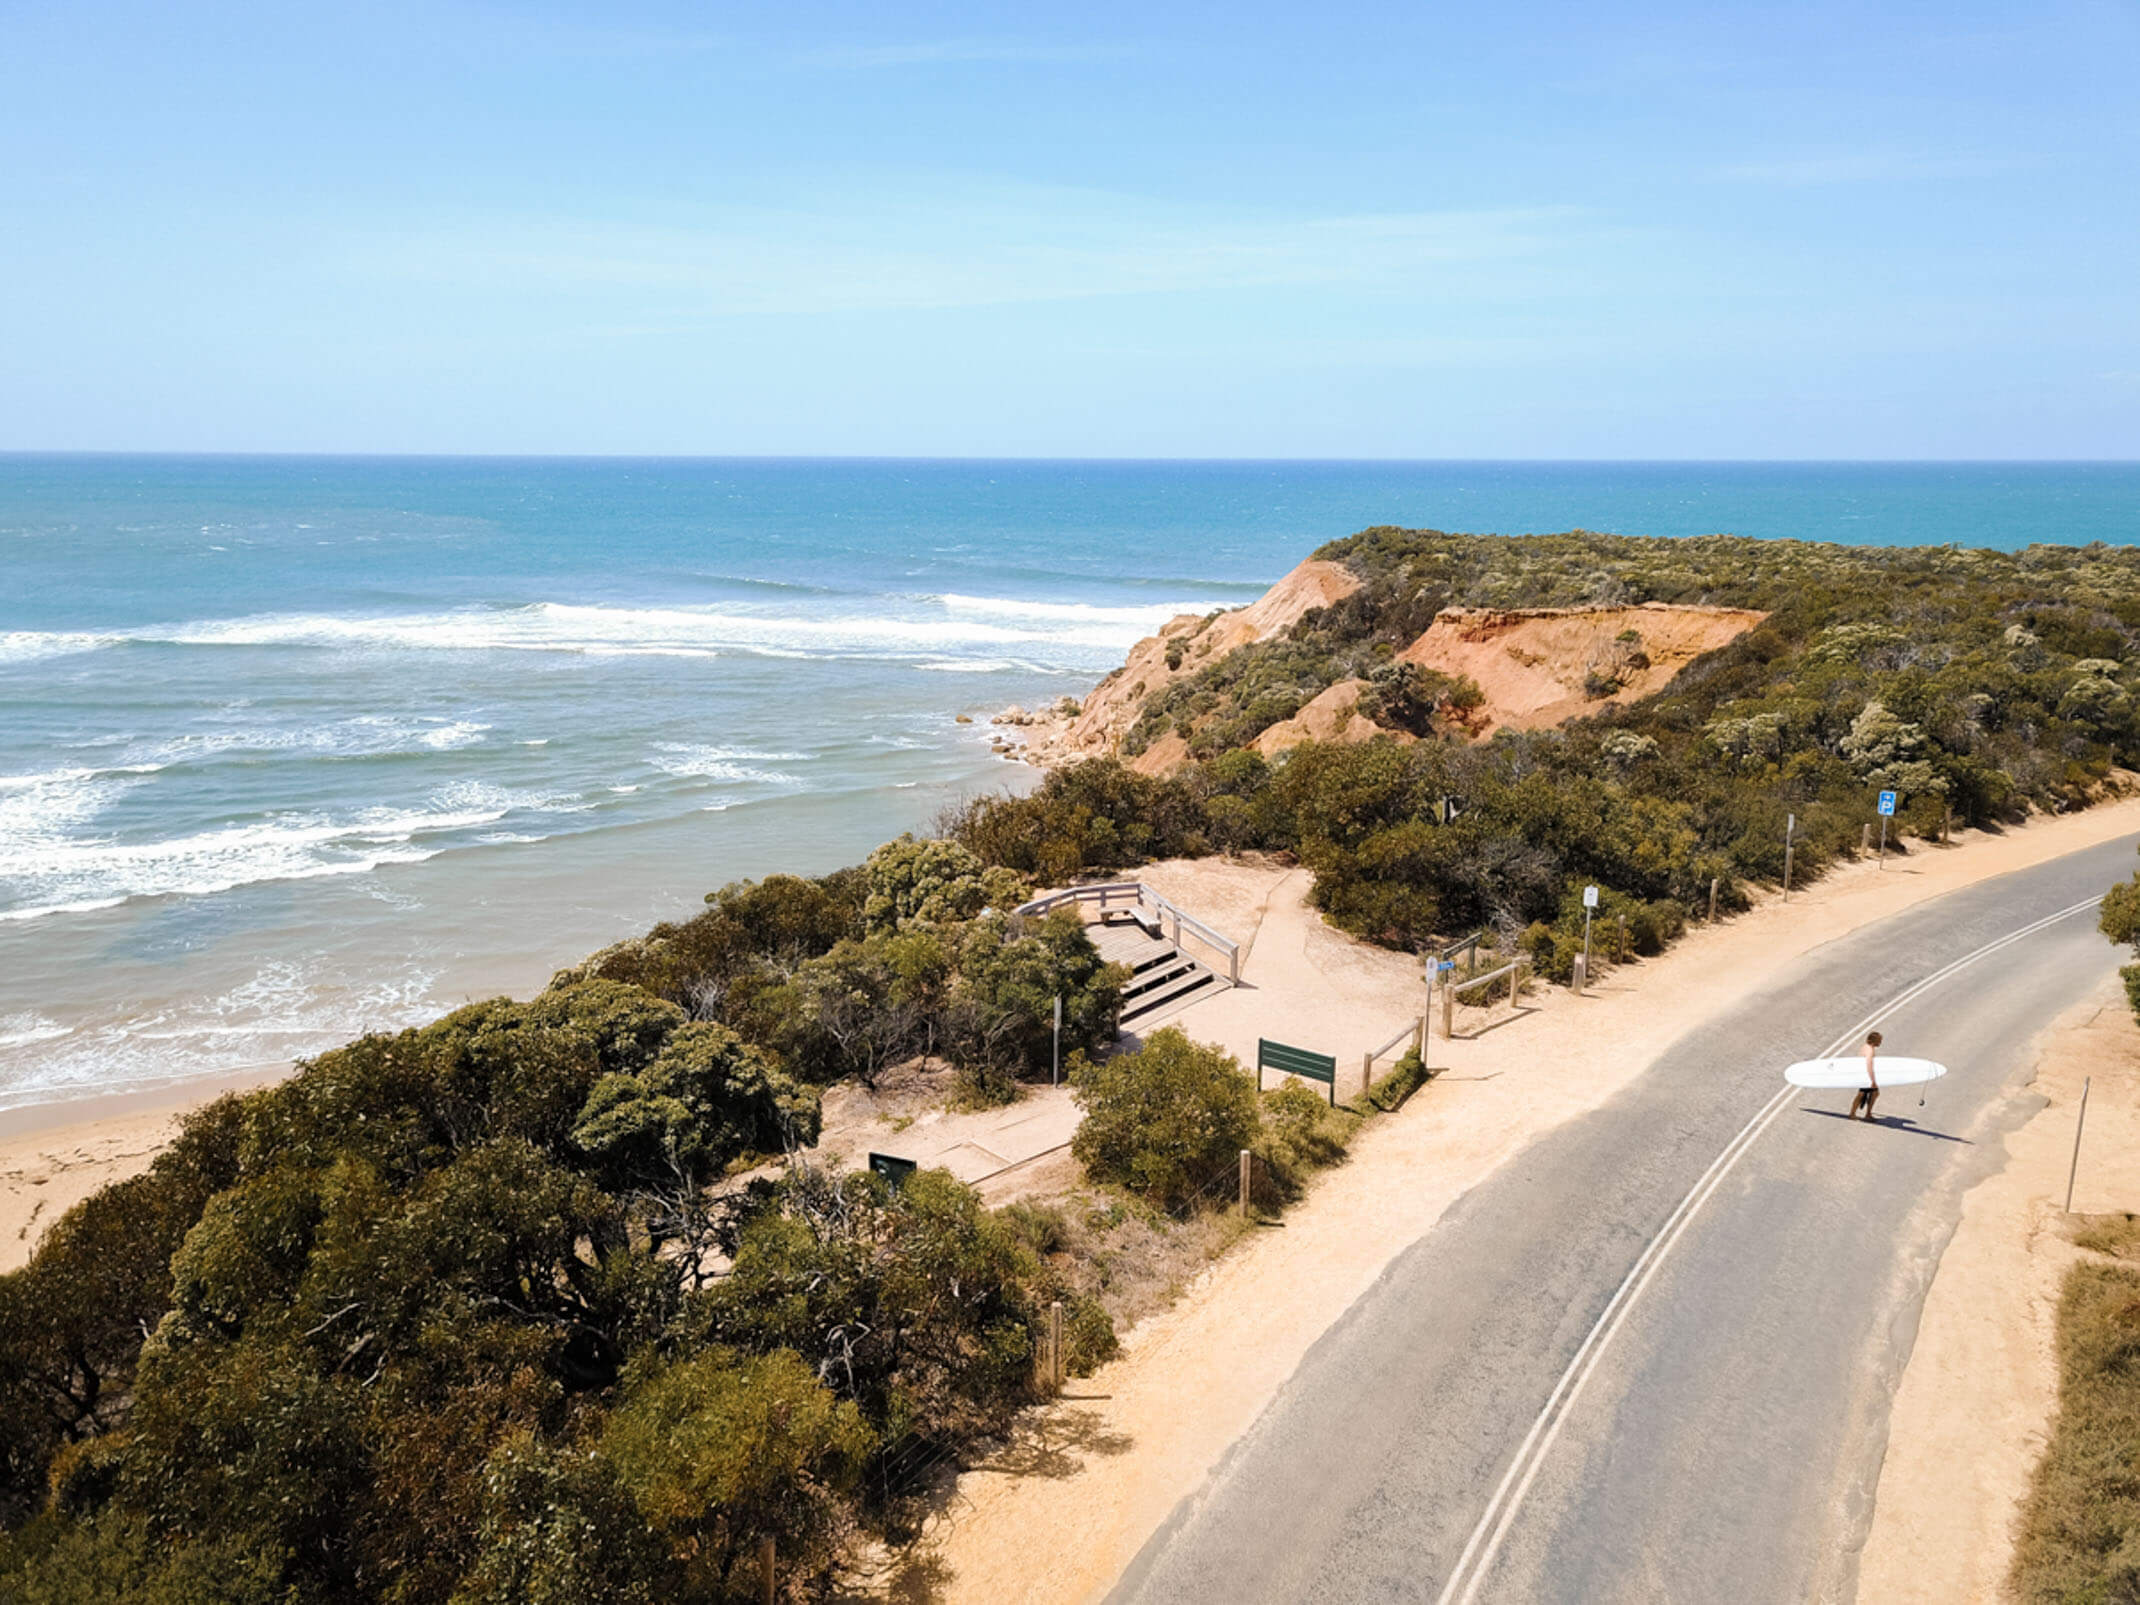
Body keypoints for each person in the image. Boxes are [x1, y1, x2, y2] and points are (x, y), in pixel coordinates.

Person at [1849, 1031, 1883, 1121]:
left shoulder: (1865, 1047)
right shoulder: (1870, 1050)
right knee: (1863, 1094)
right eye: (1879, 1040)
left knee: (1869, 1093)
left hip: (1862, 1073)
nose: (1880, 1042)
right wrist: (1872, 1080)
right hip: (1865, 1075)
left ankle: (1861, 1113)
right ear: (1874, 1041)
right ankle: (1855, 1113)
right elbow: (1869, 1065)